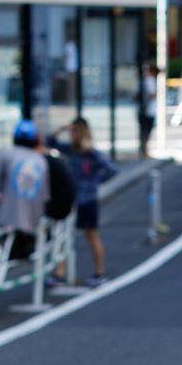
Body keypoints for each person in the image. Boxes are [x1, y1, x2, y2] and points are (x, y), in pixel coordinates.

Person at [49, 118, 118, 286]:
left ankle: (100, 272)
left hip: (88, 200)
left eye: (75, 131)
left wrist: (94, 182)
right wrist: (63, 127)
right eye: (72, 132)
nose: (73, 135)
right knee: (64, 237)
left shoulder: (92, 153)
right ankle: (60, 272)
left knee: (91, 235)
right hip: (72, 200)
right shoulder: (71, 150)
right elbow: (50, 142)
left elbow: (112, 170)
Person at [0, 119, 50, 261]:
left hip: (6, 220)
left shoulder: (5, 156)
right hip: (32, 223)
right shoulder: (41, 161)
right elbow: (45, 195)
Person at [136, 63, 159, 157]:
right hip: (148, 110)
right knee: (146, 131)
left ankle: (143, 150)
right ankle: (144, 151)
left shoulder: (141, 81)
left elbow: (135, 95)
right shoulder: (150, 80)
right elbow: (152, 94)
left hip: (142, 109)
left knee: (143, 131)